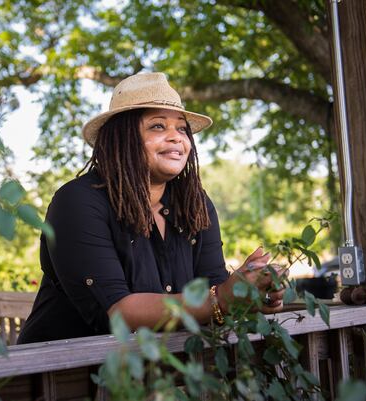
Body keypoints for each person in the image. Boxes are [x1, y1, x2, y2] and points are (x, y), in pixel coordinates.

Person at [17, 72, 284, 344]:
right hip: (59, 375)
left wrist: (249, 292)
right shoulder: (78, 202)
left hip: (158, 375)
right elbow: (117, 312)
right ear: (122, 138)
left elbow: (212, 290)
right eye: (158, 126)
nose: (176, 138)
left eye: (182, 129)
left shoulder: (195, 204)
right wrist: (222, 297)